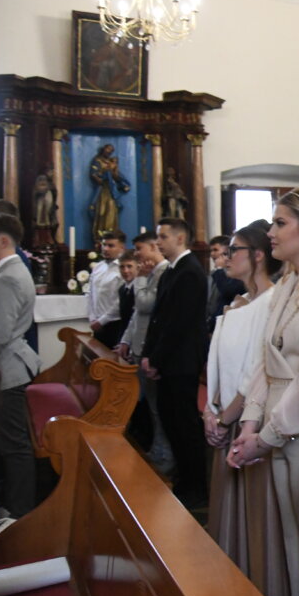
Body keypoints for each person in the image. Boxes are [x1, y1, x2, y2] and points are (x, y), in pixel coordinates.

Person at [229, 187, 299, 596]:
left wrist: (269, 434)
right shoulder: (289, 282)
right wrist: (249, 423)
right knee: (285, 541)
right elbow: (266, 360)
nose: (271, 233)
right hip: (272, 426)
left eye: (280, 223)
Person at [204, 220, 290, 596]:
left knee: (251, 521)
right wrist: (210, 410)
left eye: (233, 250)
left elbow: (257, 370)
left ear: (257, 256)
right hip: (224, 417)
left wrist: (227, 419)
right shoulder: (239, 302)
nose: (225, 258)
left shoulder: (270, 303)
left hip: (245, 421)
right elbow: (218, 363)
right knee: (226, 513)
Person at [141, 218, 209, 509]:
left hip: (181, 362)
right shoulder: (172, 270)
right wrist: (149, 355)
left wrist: (157, 359)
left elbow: (178, 324)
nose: (158, 242)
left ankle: (197, 487)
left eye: (163, 237)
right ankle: (184, 478)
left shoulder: (190, 272)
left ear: (180, 238)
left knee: (185, 425)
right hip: (168, 361)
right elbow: (158, 318)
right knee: (171, 421)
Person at [0, 213, 41, 519]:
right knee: (7, 442)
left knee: (14, 445)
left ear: (3, 240)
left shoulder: (8, 276)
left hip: (5, 370)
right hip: (6, 366)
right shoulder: (8, 270)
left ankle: (20, 514)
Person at [117, 231, 173, 473]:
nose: (137, 254)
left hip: (151, 349)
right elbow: (136, 315)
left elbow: (144, 304)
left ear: (153, 248)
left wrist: (140, 278)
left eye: (140, 249)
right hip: (140, 346)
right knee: (150, 407)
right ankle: (156, 450)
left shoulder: (162, 273)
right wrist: (126, 340)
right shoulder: (152, 273)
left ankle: (164, 456)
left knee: (158, 408)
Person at [88, 230, 127, 348]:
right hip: (96, 322)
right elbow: (91, 294)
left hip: (114, 323)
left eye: (111, 246)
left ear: (122, 248)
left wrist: (102, 320)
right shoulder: (98, 267)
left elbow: (121, 300)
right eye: (104, 245)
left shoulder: (124, 269)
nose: (105, 249)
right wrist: (92, 317)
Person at [88, 144, 131, 242]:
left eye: (111, 151)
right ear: (103, 149)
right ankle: (100, 235)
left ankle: (111, 234)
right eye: (108, 149)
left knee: (111, 211)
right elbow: (93, 174)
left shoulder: (111, 163)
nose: (109, 152)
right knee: (101, 211)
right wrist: (101, 179)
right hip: (102, 190)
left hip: (111, 191)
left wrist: (114, 173)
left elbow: (118, 177)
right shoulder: (98, 160)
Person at [207, 234, 246, 333]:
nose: (212, 254)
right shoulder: (214, 273)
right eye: (211, 251)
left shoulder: (234, 274)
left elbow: (228, 291)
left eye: (216, 250)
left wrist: (220, 269)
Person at [116, 250, 138, 344]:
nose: (125, 271)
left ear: (137, 267)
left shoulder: (140, 288)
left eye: (129, 266)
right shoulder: (122, 289)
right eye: (122, 267)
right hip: (124, 335)